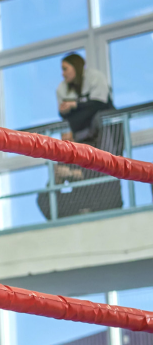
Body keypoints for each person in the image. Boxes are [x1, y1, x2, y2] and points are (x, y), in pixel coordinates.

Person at [39, 53, 122, 220]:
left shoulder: (106, 138)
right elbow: (46, 200)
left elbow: (107, 174)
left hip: (103, 197)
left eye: (65, 69)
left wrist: (71, 174)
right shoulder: (72, 147)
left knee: (102, 174)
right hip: (82, 199)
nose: (62, 73)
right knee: (44, 199)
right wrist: (57, 177)